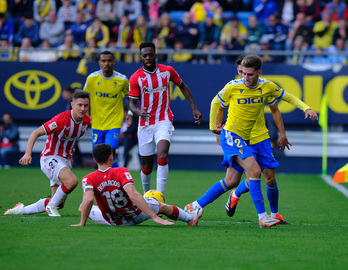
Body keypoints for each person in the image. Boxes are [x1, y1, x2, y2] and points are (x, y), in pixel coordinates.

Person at [184, 54, 318, 228]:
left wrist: (306, 108)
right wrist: (213, 127)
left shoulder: (267, 87)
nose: (245, 78)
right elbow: (216, 102)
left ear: (259, 73)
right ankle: (263, 217)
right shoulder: (233, 86)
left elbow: (289, 97)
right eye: (243, 74)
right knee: (254, 171)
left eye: (249, 74)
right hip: (232, 135)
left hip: (250, 138)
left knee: (232, 181)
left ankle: (195, 206)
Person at [128, 41, 203, 194]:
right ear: (141, 57)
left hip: (164, 120)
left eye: (150, 55)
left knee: (162, 155)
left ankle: (160, 198)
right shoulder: (136, 78)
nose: (148, 58)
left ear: (155, 55)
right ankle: (147, 195)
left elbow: (183, 86)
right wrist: (138, 112)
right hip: (145, 124)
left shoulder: (167, 71)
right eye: (145, 56)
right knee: (147, 167)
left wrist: (194, 107)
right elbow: (131, 104)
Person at [71, 143, 203, 226]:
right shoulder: (121, 171)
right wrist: (154, 217)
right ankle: (190, 219)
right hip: (135, 215)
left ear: (94, 160)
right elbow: (133, 195)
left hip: (112, 221)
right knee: (162, 206)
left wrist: (82, 223)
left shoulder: (88, 178)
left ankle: (86, 217)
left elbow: (88, 200)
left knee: (83, 206)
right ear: (111, 158)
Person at [4, 91, 91, 217]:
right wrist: (27, 154)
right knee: (72, 182)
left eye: (86, 105)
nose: (83, 109)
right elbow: (35, 133)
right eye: (80, 105)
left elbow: (73, 139)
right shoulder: (61, 119)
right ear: (72, 104)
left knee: (59, 204)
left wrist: (70, 156)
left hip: (65, 160)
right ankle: (50, 207)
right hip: (50, 157)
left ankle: (21, 210)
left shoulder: (86, 121)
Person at [83, 50, 130, 168]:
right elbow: (84, 97)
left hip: (114, 122)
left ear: (114, 62)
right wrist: (87, 115)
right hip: (97, 123)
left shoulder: (122, 80)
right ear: (99, 62)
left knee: (109, 153)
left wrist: (129, 113)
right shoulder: (92, 79)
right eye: (103, 61)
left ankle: (116, 181)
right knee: (99, 156)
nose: (106, 63)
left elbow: (130, 97)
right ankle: (112, 178)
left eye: (109, 60)